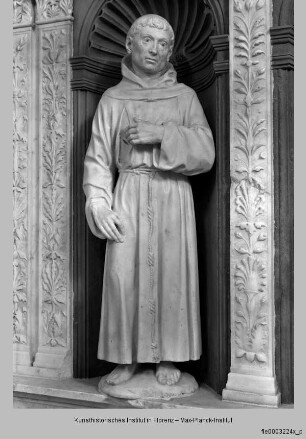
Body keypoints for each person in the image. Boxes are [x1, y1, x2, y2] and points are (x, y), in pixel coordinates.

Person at [83, 14, 215, 387]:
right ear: (129, 45)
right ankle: (124, 357)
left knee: (172, 275)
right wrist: (98, 203)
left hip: (172, 194)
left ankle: (168, 357)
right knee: (123, 277)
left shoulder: (185, 97)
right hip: (127, 193)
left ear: (171, 51)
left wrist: (162, 134)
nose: (155, 49)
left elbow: (206, 153)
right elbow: (97, 160)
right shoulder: (113, 99)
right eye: (147, 40)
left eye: (162, 43)